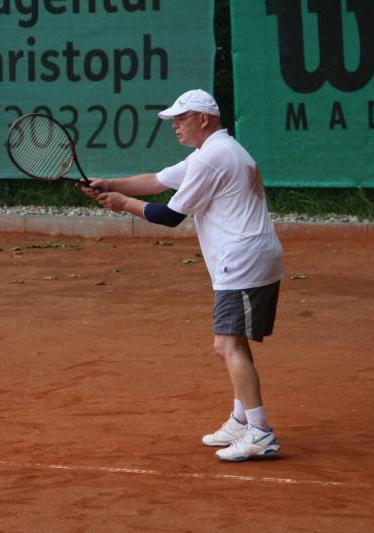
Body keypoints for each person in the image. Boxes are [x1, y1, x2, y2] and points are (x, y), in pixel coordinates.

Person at [79, 89, 284, 462]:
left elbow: (170, 216)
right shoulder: (217, 151)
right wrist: (111, 184)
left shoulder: (212, 158)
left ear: (203, 119)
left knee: (228, 346)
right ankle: (242, 420)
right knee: (231, 344)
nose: (175, 126)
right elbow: (157, 181)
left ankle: (260, 432)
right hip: (250, 257)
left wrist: (123, 204)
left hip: (242, 261)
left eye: (181, 118)